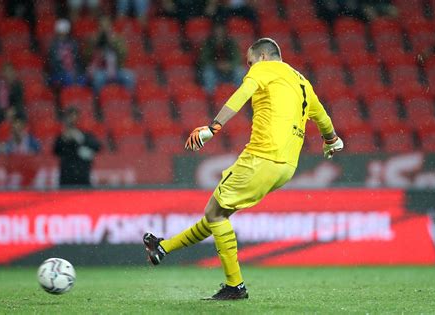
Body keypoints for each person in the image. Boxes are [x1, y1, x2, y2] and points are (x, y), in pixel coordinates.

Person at [143, 38, 344, 300]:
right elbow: (323, 118)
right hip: (286, 166)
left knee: (215, 214)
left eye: (249, 62)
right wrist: (331, 140)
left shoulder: (263, 69)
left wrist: (212, 127)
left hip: (262, 156)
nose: (248, 67)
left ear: (262, 57)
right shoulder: (302, 82)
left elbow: (240, 95)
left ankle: (235, 286)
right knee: (218, 214)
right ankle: (164, 248)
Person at [53, 106, 101, 188]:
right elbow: (56, 151)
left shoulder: (85, 134)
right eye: (70, 117)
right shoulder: (62, 136)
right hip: (67, 175)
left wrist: (80, 138)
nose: (73, 120)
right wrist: (64, 139)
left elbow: (97, 147)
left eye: (75, 117)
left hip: (83, 174)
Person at [86, 16, 135, 92]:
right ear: (99, 27)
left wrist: (114, 43)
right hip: (100, 69)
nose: (104, 29)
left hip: (116, 68)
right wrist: (94, 43)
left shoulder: (117, 38)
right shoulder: (93, 38)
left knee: (129, 76)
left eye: (106, 26)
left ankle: (127, 99)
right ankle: (99, 100)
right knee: (98, 78)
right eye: (102, 26)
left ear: (110, 26)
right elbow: (86, 57)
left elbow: (124, 55)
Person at [199, 23, 245, 93]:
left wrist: (229, 65)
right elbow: (203, 59)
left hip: (229, 71)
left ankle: (239, 96)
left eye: (221, 31)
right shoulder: (208, 43)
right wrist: (216, 65)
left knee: (240, 71)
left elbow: (238, 58)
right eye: (217, 31)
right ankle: (210, 97)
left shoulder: (230, 42)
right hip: (214, 70)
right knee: (208, 73)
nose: (219, 33)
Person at [0, 63, 25, 128]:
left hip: (13, 111)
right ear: (2, 73)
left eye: (10, 71)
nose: (8, 74)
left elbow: (20, 101)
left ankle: (17, 133)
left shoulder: (18, 85)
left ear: (13, 72)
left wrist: (13, 110)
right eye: (6, 71)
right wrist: (4, 113)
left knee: (22, 113)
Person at [48, 19, 86, 88]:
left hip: (74, 70)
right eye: (61, 33)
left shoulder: (73, 43)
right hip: (59, 72)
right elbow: (53, 62)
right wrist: (63, 70)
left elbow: (78, 59)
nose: (63, 35)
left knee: (82, 79)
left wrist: (75, 70)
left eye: (64, 33)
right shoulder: (54, 45)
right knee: (68, 79)